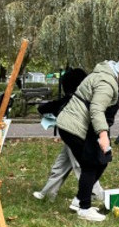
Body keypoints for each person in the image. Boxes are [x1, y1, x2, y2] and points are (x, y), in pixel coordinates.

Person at [55, 47, 119, 222]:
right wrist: (103, 136)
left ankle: (80, 200)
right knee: (91, 163)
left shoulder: (110, 76)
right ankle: (84, 208)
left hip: (77, 125)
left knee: (102, 159)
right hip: (73, 126)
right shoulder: (107, 82)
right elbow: (96, 109)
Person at [33, 67, 97, 202]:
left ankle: (96, 195)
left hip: (76, 136)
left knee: (81, 168)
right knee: (61, 166)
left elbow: (47, 107)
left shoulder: (74, 100)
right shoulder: (83, 98)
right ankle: (48, 193)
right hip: (73, 137)